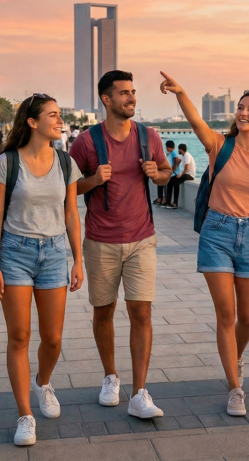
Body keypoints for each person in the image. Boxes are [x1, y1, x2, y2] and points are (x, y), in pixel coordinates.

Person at [160, 72, 249, 417]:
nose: (243, 113)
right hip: (218, 232)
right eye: (240, 107)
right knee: (226, 315)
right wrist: (181, 91)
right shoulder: (218, 145)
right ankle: (235, 387)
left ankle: (234, 356)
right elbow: (194, 119)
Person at [69, 70, 173, 419]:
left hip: (143, 238)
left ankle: (140, 391)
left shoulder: (149, 136)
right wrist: (93, 180)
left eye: (133, 91)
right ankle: (110, 376)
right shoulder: (85, 142)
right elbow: (68, 189)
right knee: (104, 311)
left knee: (141, 312)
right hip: (100, 240)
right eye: (124, 93)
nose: (132, 98)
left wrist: (156, 174)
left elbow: (166, 171)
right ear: (106, 99)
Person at [0, 93, 85, 447]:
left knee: (53, 337)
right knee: (20, 336)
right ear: (32, 122)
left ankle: (43, 381)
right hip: (15, 253)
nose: (60, 121)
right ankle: (25, 415)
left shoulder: (65, 162)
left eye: (60, 116)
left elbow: (72, 214)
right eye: (54, 115)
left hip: (56, 253)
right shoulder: (6, 163)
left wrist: (78, 258)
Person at [165, 143, 196, 209]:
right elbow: (178, 162)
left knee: (176, 183)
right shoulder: (183, 156)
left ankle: (175, 203)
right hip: (185, 173)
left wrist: (181, 174)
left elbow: (186, 168)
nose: (178, 151)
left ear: (181, 149)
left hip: (189, 175)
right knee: (171, 181)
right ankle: (168, 202)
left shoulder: (187, 155)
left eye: (178, 149)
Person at [154, 140, 176, 206]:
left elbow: (177, 161)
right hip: (163, 171)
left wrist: (172, 170)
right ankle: (160, 198)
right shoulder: (168, 153)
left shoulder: (173, 152)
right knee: (160, 184)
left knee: (164, 186)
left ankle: (164, 199)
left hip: (168, 172)